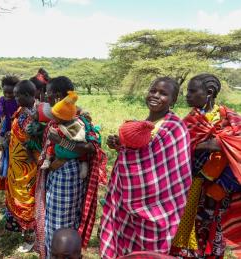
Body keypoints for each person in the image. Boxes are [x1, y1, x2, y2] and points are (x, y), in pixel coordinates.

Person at [100, 77, 192, 259]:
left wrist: (128, 151)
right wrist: (119, 145)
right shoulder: (139, 125)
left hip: (158, 205)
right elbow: (135, 154)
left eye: (163, 94)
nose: (156, 96)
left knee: (149, 253)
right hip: (124, 199)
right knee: (123, 244)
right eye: (153, 90)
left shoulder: (174, 128)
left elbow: (165, 167)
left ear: (173, 101)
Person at [171, 73, 241, 258]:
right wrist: (208, 144)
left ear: (209, 92)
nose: (187, 95)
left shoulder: (229, 117)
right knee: (189, 225)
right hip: (193, 184)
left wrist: (218, 144)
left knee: (215, 224)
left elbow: (237, 144)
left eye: (193, 91)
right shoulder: (188, 121)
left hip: (222, 186)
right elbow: (180, 145)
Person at [36, 76, 106, 258]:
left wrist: (60, 142)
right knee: (53, 218)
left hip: (68, 177)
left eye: (48, 95)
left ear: (58, 96)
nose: (46, 98)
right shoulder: (56, 118)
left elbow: (90, 147)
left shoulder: (80, 120)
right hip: (55, 175)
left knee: (62, 221)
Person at [4, 80, 40, 251]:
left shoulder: (37, 114)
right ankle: (22, 232)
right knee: (17, 196)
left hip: (29, 166)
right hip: (17, 165)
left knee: (27, 200)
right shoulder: (21, 111)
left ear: (27, 95)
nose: (15, 98)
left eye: (18, 95)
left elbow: (36, 140)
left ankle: (31, 237)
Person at [40, 91, 89, 179]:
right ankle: (47, 160)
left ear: (62, 118)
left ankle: (83, 164)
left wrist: (60, 140)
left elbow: (83, 146)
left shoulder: (75, 126)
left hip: (68, 168)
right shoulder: (59, 123)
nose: (53, 118)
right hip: (58, 164)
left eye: (55, 116)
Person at [0, 76, 20, 190]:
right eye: (5, 92)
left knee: (12, 156)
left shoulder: (18, 101)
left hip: (15, 130)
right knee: (4, 155)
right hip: (4, 130)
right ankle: (5, 184)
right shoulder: (2, 100)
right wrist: (0, 132)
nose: (7, 95)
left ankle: (12, 183)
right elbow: (1, 116)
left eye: (10, 93)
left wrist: (12, 130)